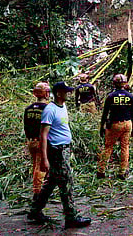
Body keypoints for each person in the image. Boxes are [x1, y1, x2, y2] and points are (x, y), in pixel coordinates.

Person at [28, 82, 91, 229]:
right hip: (56, 151)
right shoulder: (50, 110)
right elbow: (43, 135)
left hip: (64, 149)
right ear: (58, 94)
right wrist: (44, 159)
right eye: (66, 91)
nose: (68, 93)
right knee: (66, 182)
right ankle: (71, 217)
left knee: (52, 182)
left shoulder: (62, 107)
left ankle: (35, 210)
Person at [97, 74, 133, 180]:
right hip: (128, 124)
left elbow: (105, 114)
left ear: (114, 83)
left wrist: (102, 127)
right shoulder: (131, 97)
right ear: (125, 83)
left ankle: (101, 171)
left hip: (114, 124)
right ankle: (122, 171)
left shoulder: (111, 97)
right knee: (125, 147)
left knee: (108, 147)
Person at [23, 82, 50, 200]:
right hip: (42, 142)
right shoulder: (48, 109)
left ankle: (41, 188)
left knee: (36, 165)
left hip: (31, 141)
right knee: (41, 167)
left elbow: (26, 127)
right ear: (46, 94)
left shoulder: (28, 109)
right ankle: (38, 192)